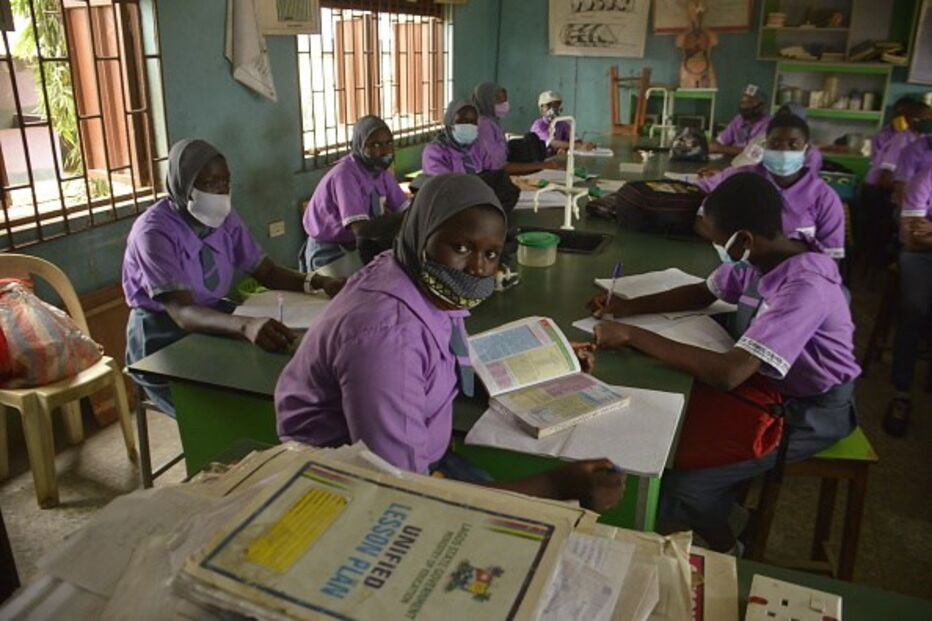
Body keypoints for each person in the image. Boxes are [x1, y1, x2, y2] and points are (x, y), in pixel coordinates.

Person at [276, 174, 625, 511]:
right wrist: (557, 487)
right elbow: (405, 490)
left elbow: (444, 351)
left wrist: (549, 359)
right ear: (422, 233)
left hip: (422, 452)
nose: (476, 267)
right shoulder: (388, 337)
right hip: (339, 483)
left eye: (491, 254)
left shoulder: (409, 269)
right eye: (460, 247)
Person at [588, 172, 859, 551]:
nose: (715, 248)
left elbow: (728, 374)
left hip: (811, 411)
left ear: (744, 240)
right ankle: (730, 510)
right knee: (670, 429)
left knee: (686, 486)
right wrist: (629, 308)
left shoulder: (804, 286)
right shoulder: (760, 259)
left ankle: (729, 548)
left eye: (717, 242)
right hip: (765, 387)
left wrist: (634, 335)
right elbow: (703, 292)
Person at [123, 139, 345, 415]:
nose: (221, 190)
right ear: (184, 184)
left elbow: (267, 271)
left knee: (285, 351)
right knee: (219, 409)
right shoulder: (154, 233)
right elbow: (182, 311)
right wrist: (244, 326)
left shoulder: (223, 218)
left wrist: (318, 282)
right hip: (164, 338)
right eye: (210, 182)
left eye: (225, 181)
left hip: (215, 314)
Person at [695, 112, 846, 259]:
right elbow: (702, 218)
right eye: (775, 143)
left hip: (796, 273)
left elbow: (831, 257)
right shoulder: (741, 178)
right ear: (765, 144)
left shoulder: (824, 197)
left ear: (806, 150)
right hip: (739, 265)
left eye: (793, 145)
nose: (783, 151)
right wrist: (731, 245)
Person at [302, 115, 408, 270]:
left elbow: (405, 209)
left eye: (388, 143)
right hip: (330, 252)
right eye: (374, 145)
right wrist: (401, 219)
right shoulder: (345, 174)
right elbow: (361, 229)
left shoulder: (380, 172)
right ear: (358, 146)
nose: (384, 151)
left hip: (355, 247)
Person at [885, 164, 932, 436]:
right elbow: (913, 239)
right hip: (921, 257)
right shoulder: (924, 179)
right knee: (914, 309)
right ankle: (902, 391)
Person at [472, 81, 559, 174]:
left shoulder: (494, 123)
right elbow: (497, 167)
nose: (504, 103)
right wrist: (542, 165)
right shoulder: (484, 126)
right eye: (498, 99)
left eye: (505, 99)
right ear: (486, 101)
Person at [421, 100, 491, 175]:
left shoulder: (478, 147)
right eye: (463, 121)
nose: (469, 126)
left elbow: (489, 172)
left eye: (473, 122)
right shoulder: (435, 152)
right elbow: (444, 182)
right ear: (450, 122)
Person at [709, 84, 771, 156]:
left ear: (761, 106)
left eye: (749, 102)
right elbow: (718, 142)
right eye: (743, 102)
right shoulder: (738, 120)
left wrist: (723, 149)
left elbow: (755, 153)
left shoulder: (768, 124)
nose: (744, 106)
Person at [530, 90, 595, 155]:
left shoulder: (563, 124)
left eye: (555, 105)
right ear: (541, 108)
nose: (553, 109)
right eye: (549, 105)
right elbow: (552, 143)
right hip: (540, 161)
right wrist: (577, 146)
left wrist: (585, 145)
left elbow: (574, 139)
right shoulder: (538, 125)